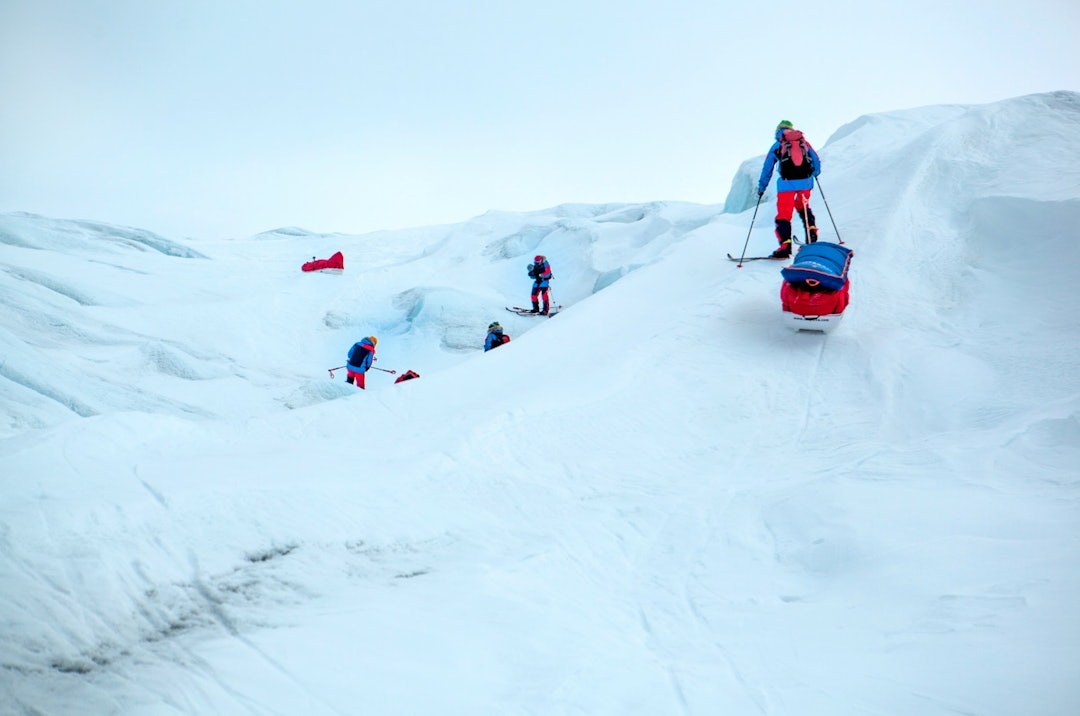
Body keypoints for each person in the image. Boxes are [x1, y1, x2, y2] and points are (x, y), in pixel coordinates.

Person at [757, 120, 822, 259]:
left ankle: (785, 246)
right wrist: (815, 173)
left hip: (786, 184)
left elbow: (767, 167)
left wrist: (762, 187)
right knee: (803, 207)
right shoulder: (802, 142)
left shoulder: (778, 144)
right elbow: (816, 159)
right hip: (806, 182)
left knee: (784, 214)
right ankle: (812, 235)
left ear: (778, 131)